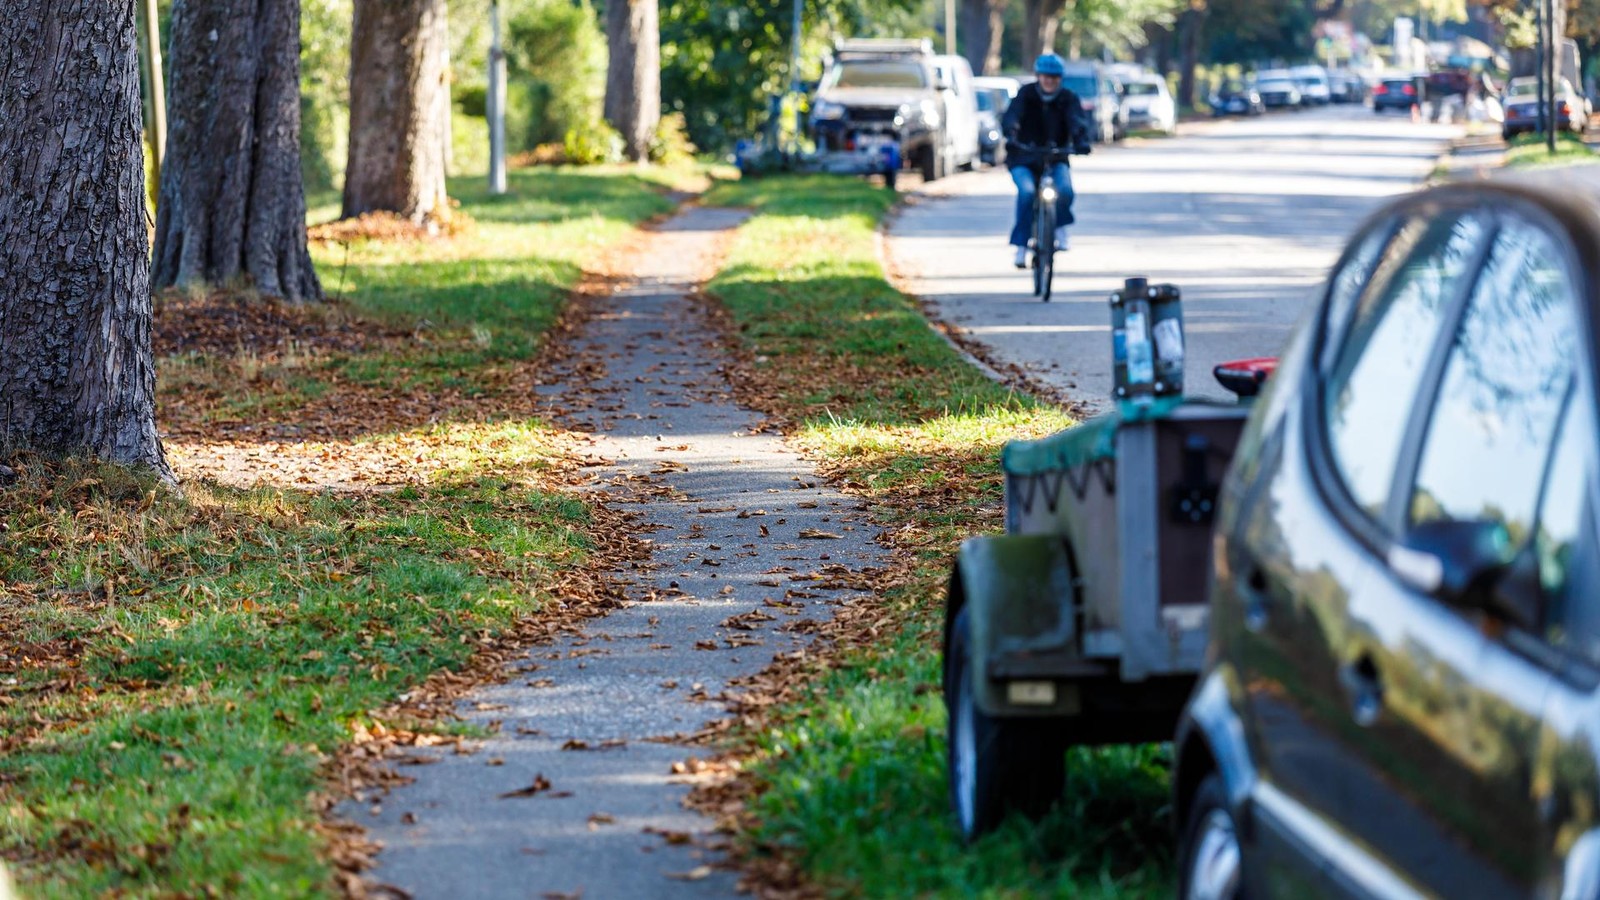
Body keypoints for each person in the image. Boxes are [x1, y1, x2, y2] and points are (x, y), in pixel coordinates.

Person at [1002, 53, 1090, 268]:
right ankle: (1021, 247)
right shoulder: (1026, 94)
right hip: (1023, 156)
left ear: (1060, 78)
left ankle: (1059, 227)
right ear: (1038, 76)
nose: (1049, 81)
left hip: (1055, 156)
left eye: (1054, 77)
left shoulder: (1068, 98)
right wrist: (1012, 135)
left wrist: (1081, 142)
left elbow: (1077, 122)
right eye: (1045, 76)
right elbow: (1012, 117)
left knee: (1065, 191)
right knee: (1027, 192)